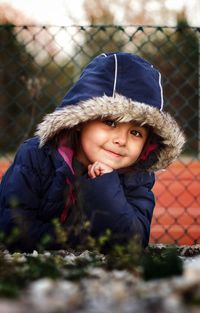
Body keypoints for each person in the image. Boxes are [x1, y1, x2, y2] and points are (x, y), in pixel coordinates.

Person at [0, 52, 185, 252]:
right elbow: (13, 229)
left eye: (135, 132)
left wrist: (104, 185)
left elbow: (132, 243)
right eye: (109, 122)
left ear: (147, 142)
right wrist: (76, 240)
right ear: (81, 121)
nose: (121, 140)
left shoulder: (137, 176)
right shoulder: (36, 156)